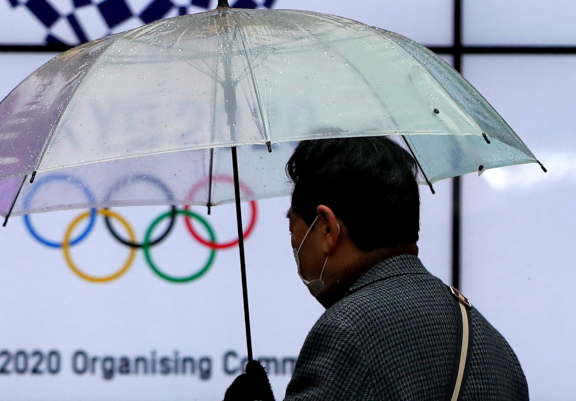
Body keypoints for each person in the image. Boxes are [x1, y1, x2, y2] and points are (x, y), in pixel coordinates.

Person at [224, 136, 528, 400]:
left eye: (292, 225)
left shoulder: (347, 332)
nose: (293, 242)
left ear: (328, 229)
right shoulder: (495, 347)